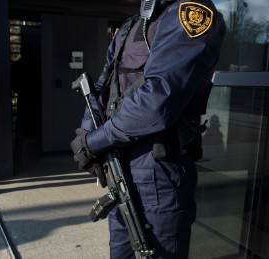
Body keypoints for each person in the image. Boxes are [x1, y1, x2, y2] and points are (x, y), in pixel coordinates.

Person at [71, 0, 226, 258]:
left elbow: (158, 100)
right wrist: (86, 134)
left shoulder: (192, 13)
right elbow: (101, 87)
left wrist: (96, 142)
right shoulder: (133, 24)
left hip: (160, 172)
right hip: (120, 164)